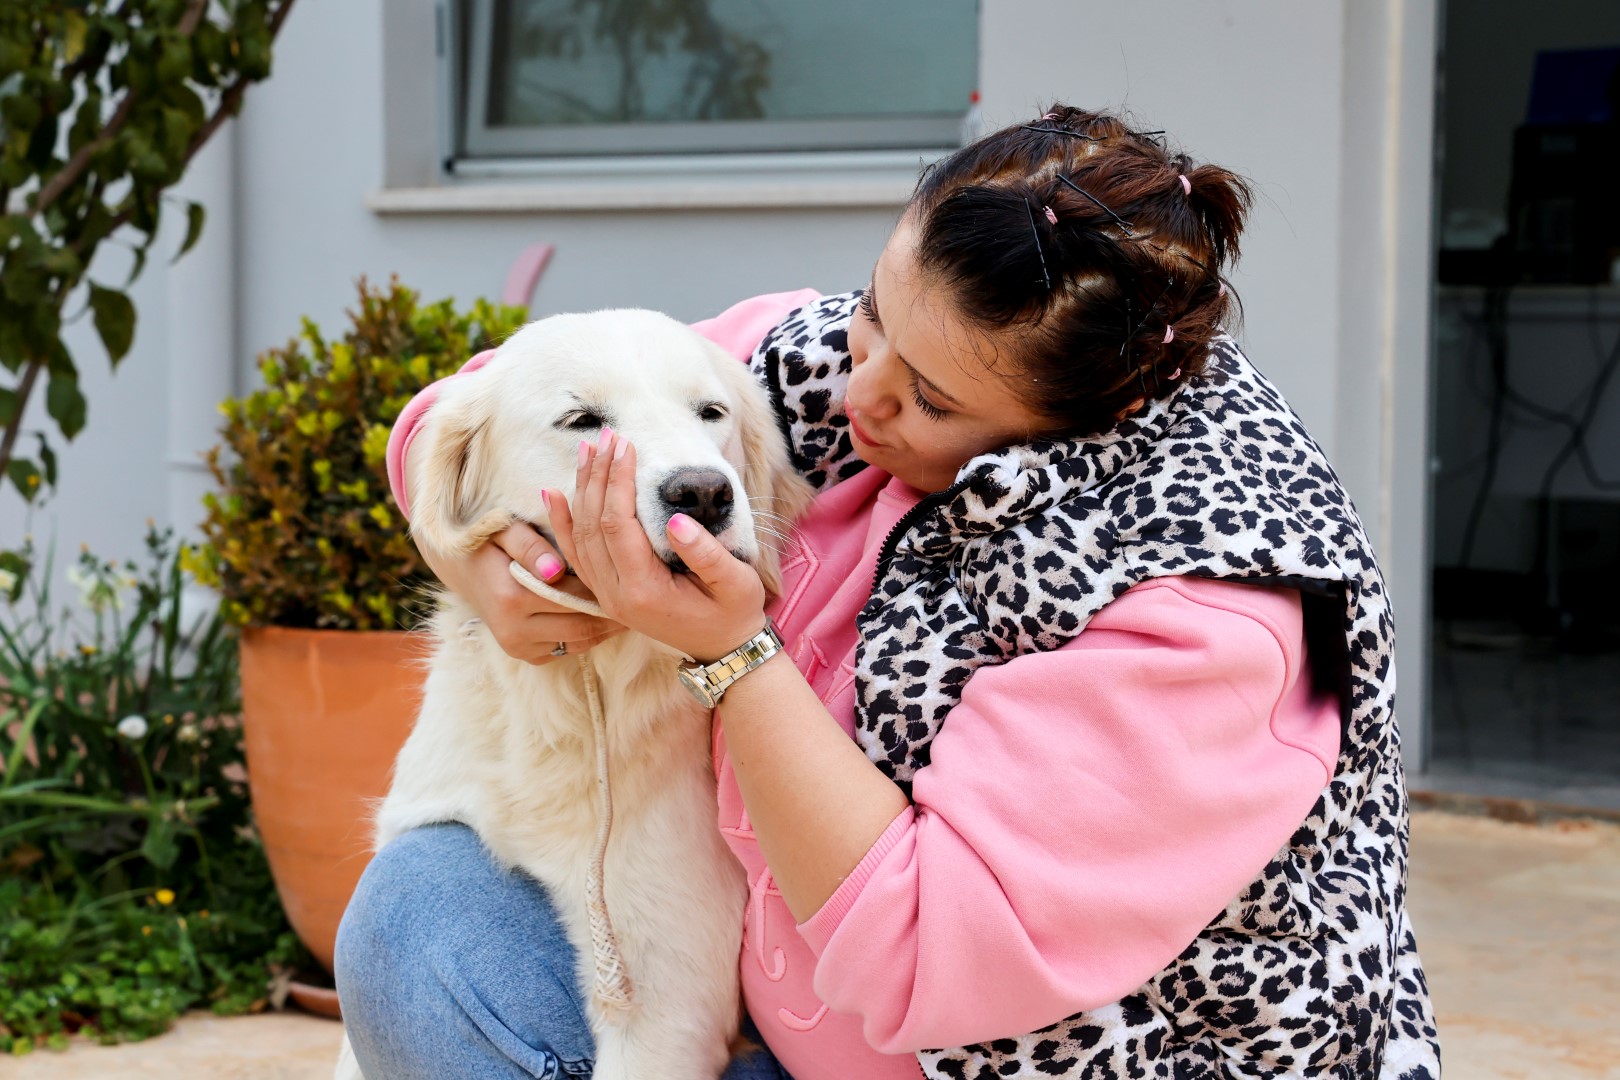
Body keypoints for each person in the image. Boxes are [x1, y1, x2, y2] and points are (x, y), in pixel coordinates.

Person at [335, 105, 1442, 1079]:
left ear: (1066, 427)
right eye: (872, 311)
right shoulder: (894, 353)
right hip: (785, 1025)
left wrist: (730, 655)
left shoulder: (1200, 621)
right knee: (422, 918)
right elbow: (505, 395)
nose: (856, 392)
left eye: (927, 398)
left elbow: (933, 951)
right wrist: (468, 553)